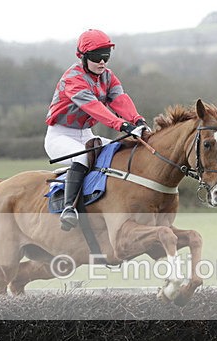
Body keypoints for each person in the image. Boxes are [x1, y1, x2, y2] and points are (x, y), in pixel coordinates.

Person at [44, 29, 149, 230]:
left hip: (86, 135)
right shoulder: (73, 79)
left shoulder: (108, 77)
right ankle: (69, 209)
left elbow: (120, 100)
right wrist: (122, 125)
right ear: (82, 57)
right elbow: (94, 107)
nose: (102, 62)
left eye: (106, 56)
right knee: (82, 158)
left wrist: (138, 120)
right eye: (96, 57)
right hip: (60, 135)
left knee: (121, 151)